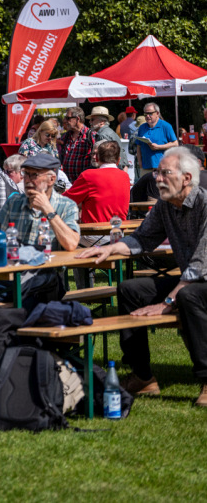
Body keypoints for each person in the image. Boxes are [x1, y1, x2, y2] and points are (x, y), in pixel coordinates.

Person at [76, 147, 207, 406]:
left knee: (189, 295)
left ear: (187, 178)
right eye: (157, 173)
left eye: (165, 173)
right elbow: (142, 238)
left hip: (199, 280)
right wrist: (110, 247)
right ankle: (143, 377)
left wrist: (168, 302)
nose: (157, 178)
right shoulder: (166, 205)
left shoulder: (205, 204)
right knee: (130, 289)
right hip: (191, 280)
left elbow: (201, 265)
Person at [0, 154, 80, 304]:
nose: (28, 180)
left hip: (43, 277)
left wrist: (48, 210)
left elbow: (71, 244)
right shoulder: (14, 203)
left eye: (34, 175)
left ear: (51, 179)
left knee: (20, 306)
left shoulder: (66, 205)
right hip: (9, 274)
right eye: (26, 174)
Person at [64, 140, 130, 224]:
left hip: (94, 232)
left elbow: (66, 200)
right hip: (119, 231)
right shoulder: (125, 177)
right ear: (118, 160)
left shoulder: (88, 175)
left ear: (97, 158)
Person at [136, 102, 179, 175]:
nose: (147, 116)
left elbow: (175, 144)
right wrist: (140, 163)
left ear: (157, 113)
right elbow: (138, 146)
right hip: (145, 168)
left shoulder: (166, 126)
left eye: (150, 113)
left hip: (162, 167)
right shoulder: (142, 128)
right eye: (145, 114)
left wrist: (159, 147)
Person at [60, 106, 97, 182]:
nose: (65, 120)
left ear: (77, 119)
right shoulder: (66, 136)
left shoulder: (90, 135)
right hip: (67, 183)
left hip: (84, 182)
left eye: (68, 118)